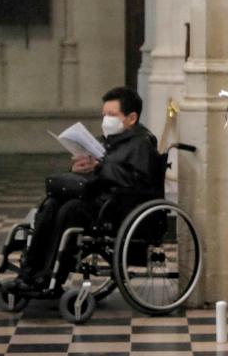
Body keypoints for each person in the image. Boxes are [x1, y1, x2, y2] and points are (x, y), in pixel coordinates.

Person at [13, 87, 160, 291]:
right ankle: (28, 272)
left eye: (112, 115)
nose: (106, 120)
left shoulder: (141, 145)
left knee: (69, 210)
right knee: (52, 204)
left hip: (118, 207)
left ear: (131, 118)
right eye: (104, 115)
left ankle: (47, 277)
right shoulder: (107, 142)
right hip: (97, 200)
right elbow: (97, 173)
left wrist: (101, 167)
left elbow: (139, 182)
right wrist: (77, 169)